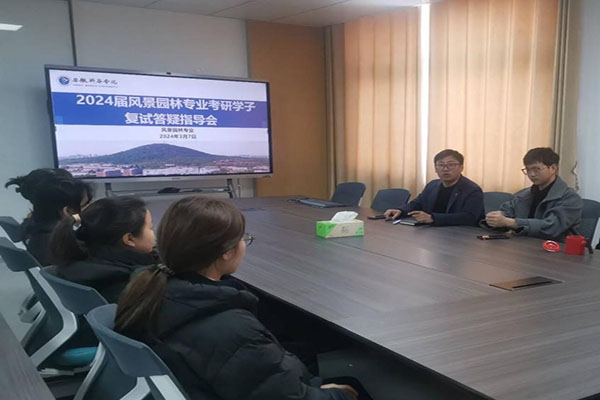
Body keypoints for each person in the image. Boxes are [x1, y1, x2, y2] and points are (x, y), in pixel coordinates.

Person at [115, 197, 358, 400]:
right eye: (242, 238)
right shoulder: (233, 329)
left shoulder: (148, 289)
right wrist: (336, 394)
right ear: (227, 252)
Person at [49, 196, 157, 303]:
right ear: (129, 239)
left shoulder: (80, 260)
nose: (155, 233)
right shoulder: (130, 282)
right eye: (151, 228)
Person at [485, 147, 582, 240]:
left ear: (553, 168)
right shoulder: (524, 194)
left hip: (557, 248)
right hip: (524, 245)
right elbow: (507, 211)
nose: (531, 174)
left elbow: (551, 227)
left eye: (536, 169)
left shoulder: (570, 198)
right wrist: (495, 218)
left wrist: (511, 222)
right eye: (528, 170)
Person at [5, 168, 93, 265]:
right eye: (84, 206)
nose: (89, 208)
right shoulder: (65, 245)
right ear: (67, 211)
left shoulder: (36, 227)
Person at [384, 149, 484, 226]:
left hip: (461, 235)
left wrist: (433, 218)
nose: (445, 169)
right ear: (435, 168)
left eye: (451, 165)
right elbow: (417, 203)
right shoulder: (432, 185)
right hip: (433, 232)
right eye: (441, 165)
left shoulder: (472, 190)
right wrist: (400, 210)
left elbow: (469, 217)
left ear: (461, 167)